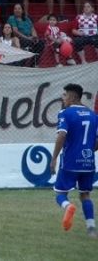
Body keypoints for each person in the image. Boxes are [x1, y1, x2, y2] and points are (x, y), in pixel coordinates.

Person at [50, 83, 98, 237]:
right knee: (85, 195)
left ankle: (68, 206)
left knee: (60, 193)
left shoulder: (65, 113)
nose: (63, 98)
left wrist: (54, 158)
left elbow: (61, 135)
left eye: (65, 95)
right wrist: (90, 150)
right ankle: (91, 229)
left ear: (72, 97)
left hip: (70, 161)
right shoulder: (93, 115)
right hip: (88, 162)